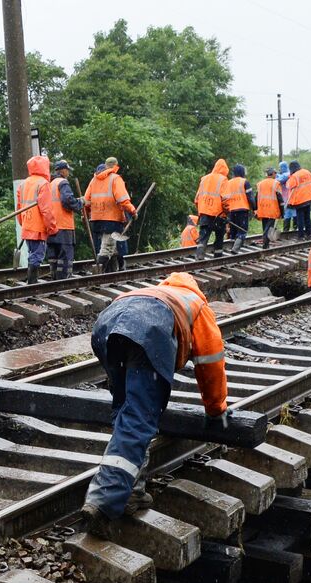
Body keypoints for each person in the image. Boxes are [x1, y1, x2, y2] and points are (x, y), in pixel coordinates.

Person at [80, 272, 228, 536]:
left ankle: (132, 490)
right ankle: (104, 501)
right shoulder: (196, 304)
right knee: (140, 417)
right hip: (147, 331)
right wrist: (216, 409)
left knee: (128, 410)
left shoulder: (154, 292)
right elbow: (210, 363)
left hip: (107, 324)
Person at [15, 155, 57, 285]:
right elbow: (46, 209)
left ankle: (31, 280)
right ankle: (32, 283)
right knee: (37, 255)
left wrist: (23, 223)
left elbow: (19, 208)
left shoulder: (23, 184)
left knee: (32, 253)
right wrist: (52, 227)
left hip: (27, 225)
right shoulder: (43, 184)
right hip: (38, 227)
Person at [87, 157, 137, 266]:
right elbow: (122, 200)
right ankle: (98, 272)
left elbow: (86, 201)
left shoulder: (94, 180)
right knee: (108, 248)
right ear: (116, 166)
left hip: (96, 220)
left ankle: (111, 273)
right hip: (111, 219)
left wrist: (86, 214)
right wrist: (132, 210)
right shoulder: (115, 178)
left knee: (107, 247)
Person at [41, 160, 82, 280]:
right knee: (65, 256)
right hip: (63, 226)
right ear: (63, 170)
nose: (68, 172)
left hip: (51, 226)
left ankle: (55, 279)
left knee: (53, 256)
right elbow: (67, 201)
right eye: (67, 170)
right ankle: (64, 280)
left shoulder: (50, 183)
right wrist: (80, 203)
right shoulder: (63, 183)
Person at [194, 158, 231, 258]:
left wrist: (201, 210)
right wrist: (227, 212)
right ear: (225, 169)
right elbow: (225, 199)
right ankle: (218, 257)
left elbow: (197, 199)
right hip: (218, 215)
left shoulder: (204, 179)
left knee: (203, 237)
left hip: (204, 214)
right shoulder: (223, 179)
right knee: (219, 236)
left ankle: (199, 256)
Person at [222, 163, 255, 252]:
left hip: (231, 211)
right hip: (242, 210)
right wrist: (255, 209)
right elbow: (250, 198)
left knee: (233, 231)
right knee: (242, 231)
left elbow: (224, 198)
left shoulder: (228, 183)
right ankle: (235, 249)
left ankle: (231, 247)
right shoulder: (244, 181)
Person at [286, 160, 311, 236]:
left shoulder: (295, 175)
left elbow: (288, 186)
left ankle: (301, 235)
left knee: (300, 218)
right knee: (307, 217)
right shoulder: (307, 172)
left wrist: (290, 176)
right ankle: (308, 233)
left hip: (300, 200)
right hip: (309, 198)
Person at [256, 168, 283, 247]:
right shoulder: (276, 183)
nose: (276, 175)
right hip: (272, 209)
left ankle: (266, 244)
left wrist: (255, 209)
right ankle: (265, 243)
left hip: (262, 209)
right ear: (273, 174)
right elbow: (280, 199)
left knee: (265, 226)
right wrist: (282, 212)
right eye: (275, 173)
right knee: (269, 228)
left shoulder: (260, 184)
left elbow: (256, 197)